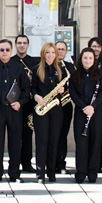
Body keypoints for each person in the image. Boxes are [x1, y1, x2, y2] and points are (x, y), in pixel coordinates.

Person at [0, 39, 30, 183]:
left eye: (7, 50)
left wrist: (20, 103)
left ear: (11, 51)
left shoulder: (19, 68)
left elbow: (26, 89)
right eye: (2, 50)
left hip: (14, 109)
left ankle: (14, 174)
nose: (4, 52)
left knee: (15, 142)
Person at [69, 47, 102, 184]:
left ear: (94, 59)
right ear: (81, 59)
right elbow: (73, 93)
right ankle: (81, 172)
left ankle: (92, 173)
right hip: (81, 111)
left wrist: (93, 106)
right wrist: (84, 107)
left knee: (95, 142)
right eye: (85, 58)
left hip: (96, 112)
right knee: (81, 143)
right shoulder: (75, 74)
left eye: (90, 58)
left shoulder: (100, 74)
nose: (88, 60)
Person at [30, 43, 66, 183]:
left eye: (53, 52)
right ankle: (40, 173)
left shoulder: (60, 69)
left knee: (53, 141)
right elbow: (32, 88)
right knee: (41, 141)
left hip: (56, 109)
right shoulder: (37, 69)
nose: (50, 55)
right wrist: (37, 97)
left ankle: (51, 172)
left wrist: (63, 90)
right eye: (47, 52)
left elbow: (66, 87)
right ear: (43, 54)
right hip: (42, 109)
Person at [13, 34, 38, 173]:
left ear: (28, 45)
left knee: (28, 135)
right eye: (19, 43)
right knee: (15, 135)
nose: (22, 45)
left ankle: (27, 163)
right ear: (16, 45)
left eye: (24, 43)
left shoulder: (34, 63)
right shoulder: (10, 61)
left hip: (29, 103)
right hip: (14, 104)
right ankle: (14, 163)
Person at [55, 40, 76, 174]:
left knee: (63, 135)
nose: (60, 51)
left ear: (66, 51)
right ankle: (50, 163)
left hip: (66, 105)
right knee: (52, 135)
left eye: (63, 49)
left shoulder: (71, 67)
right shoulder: (49, 65)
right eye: (58, 49)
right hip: (52, 105)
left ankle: (61, 163)